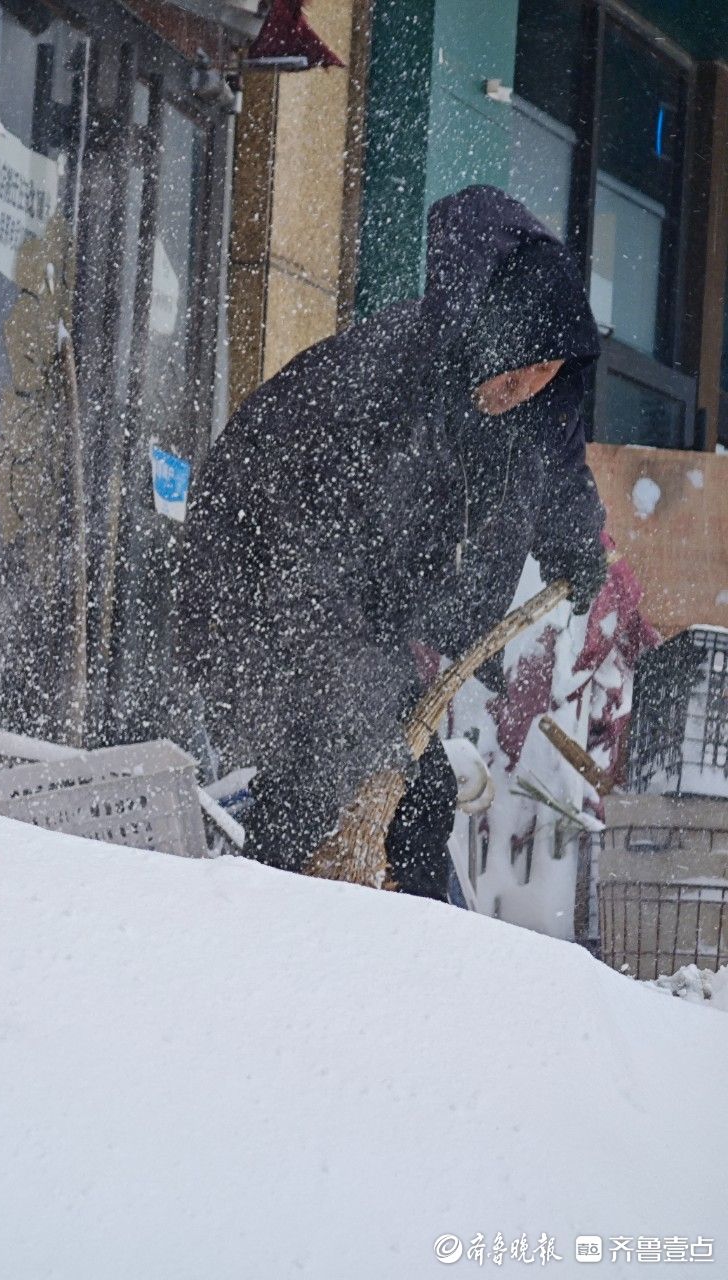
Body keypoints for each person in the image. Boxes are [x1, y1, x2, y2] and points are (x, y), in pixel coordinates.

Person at [176, 185, 606, 899]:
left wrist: (576, 538)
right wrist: (359, 697)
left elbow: (557, 459)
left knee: (419, 795)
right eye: (520, 366)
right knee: (327, 784)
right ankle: (260, 939)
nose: (529, 387)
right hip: (254, 581)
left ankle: (393, 970)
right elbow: (300, 554)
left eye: (548, 373)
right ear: (489, 335)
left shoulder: (514, 397)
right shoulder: (381, 389)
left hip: (357, 616)